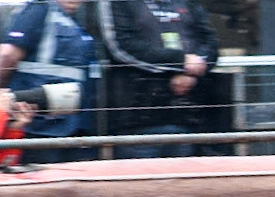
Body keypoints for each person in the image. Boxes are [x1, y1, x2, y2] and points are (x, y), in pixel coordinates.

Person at [96, 0, 231, 157]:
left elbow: (210, 43)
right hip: (136, 122)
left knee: (184, 179)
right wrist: (182, 62)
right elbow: (121, 47)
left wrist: (192, 72)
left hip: (187, 119)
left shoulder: (188, 3)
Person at [0, 0, 98, 163]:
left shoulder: (70, 20)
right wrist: (2, 94)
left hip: (69, 125)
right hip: (38, 125)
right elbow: (7, 55)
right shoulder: (38, 8)